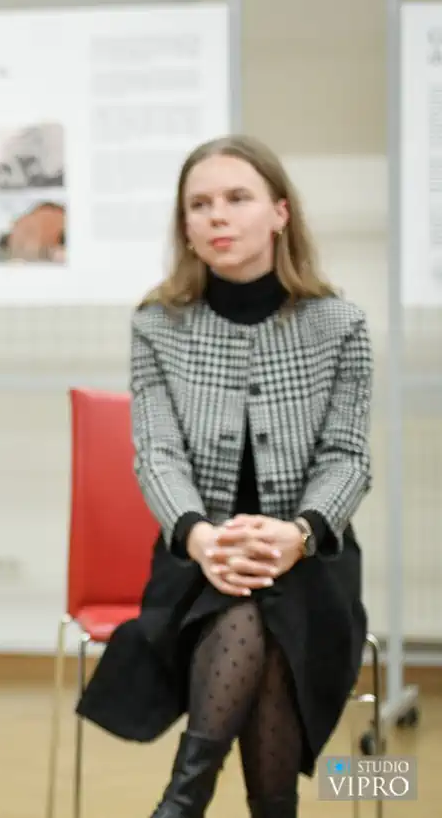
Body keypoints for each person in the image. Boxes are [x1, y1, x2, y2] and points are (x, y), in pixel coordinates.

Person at [76, 134, 372, 818]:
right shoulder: (159, 323)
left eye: (237, 198)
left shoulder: (340, 325)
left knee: (264, 600)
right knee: (244, 603)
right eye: (200, 204)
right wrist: (202, 537)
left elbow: (348, 459)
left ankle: (183, 800)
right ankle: (257, 806)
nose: (217, 216)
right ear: (185, 226)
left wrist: (298, 532)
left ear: (279, 212)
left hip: (312, 555)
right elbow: (157, 455)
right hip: (193, 557)